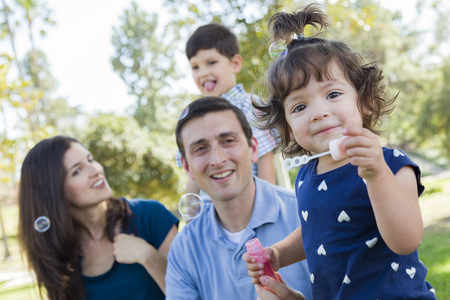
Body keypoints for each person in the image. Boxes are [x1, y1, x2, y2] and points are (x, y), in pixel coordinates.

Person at [243, 4, 437, 300]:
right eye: (299, 106)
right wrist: (280, 253)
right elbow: (319, 231)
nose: (318, 112)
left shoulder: (390, 164)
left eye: (332, 94)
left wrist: (376, 174)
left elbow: (407, 240)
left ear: (365, 101)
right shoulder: (307, 175)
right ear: (287, 126)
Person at [165, 97, 312, 300]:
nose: (217, 160)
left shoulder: (308, 213)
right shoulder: (184, 248)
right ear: (187, 167)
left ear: (253, 148)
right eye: (200, 148)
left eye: (228, 141)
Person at [18, 136, 178, 300]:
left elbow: (195, 293)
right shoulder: (57, 252)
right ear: (54, 193)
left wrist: (149, 257)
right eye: (77, 171)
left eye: (90, 160)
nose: (96, 170)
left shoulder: (149, 215)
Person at [175, 23, 277, 196]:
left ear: (235, 63)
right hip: (211, 215)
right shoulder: (193, 117)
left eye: (211, 62)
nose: (202, 73)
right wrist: (193, 217)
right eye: (195, 67)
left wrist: (268, 207)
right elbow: (193, 177)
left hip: (249, 209)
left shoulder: (250, 105)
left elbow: (265, 160)